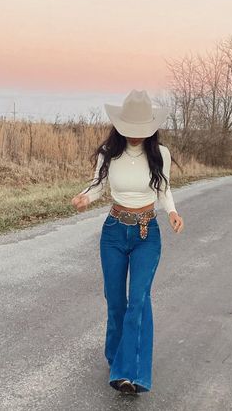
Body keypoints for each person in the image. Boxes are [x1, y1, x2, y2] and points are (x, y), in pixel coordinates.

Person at [71, 89, 184, 394]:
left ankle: (129, 374)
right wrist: (85, 197)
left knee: (138, 300)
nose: (135, 137)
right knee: (116, 300)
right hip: (114, 232)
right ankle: (117, 356)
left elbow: (164, 189)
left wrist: (172, 212)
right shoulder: (110, 152)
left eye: (141, 132)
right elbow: (98, 185)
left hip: (147, 234)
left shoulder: (161, 154)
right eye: (130, 131)